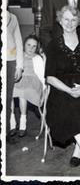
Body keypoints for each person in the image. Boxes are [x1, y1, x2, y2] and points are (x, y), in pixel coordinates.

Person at [45, 5, 80, 173]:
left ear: (78, 22)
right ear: (60, 21)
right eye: (66, 19)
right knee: (68, 106)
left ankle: (78, 150)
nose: (69, 23)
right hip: (61, 89)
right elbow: (50, 77)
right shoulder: (53, 45)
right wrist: (68, 90)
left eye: (73, 19)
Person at [10, 35, 45, 138]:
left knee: (22, 93)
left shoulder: (37, 58)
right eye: (28, 45)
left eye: (34, 46)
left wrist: (44, 91)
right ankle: (11, 122)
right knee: (10, 92)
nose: (31, 48)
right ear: (23, 45)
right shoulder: (18, 55)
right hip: (19, 79)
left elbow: (42, 76)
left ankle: (22, 123)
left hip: (33, 82)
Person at [6, 10, 23, 139]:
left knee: (7, 98)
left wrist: (19, 66)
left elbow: (18, 42)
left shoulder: (12, 18)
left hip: (10, 62)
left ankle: (6, 132)